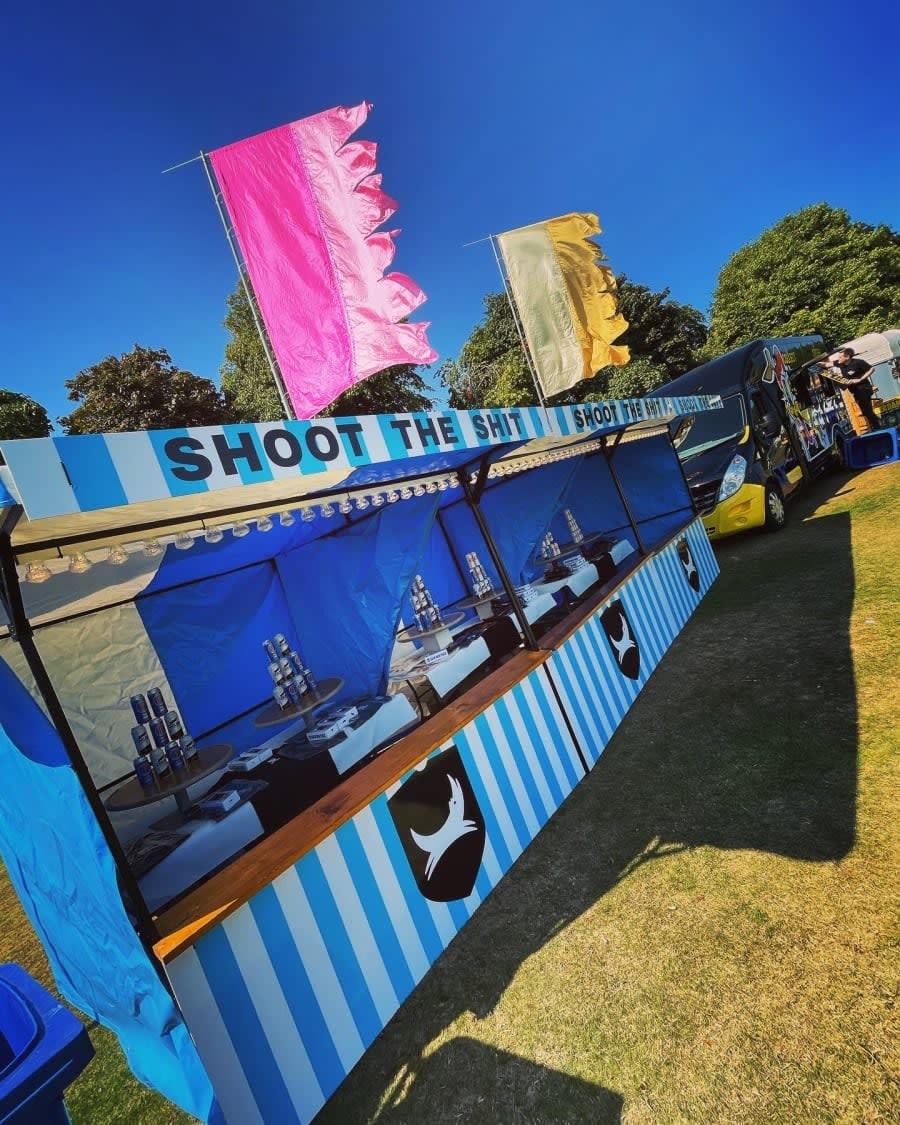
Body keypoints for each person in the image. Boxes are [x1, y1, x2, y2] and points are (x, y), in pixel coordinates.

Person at [834, 347, 880, 430]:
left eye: (840, 357)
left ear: (847, 357)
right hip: (855, 391)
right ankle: (875, 424)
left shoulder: (858, 362)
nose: (838, 359)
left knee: (866, 409)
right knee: (865, 411)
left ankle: (877, 426)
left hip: (863, 388)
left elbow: (872, 369)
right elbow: (826, 364)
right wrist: (816, 364)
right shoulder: (840, 363)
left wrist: (861, 379)